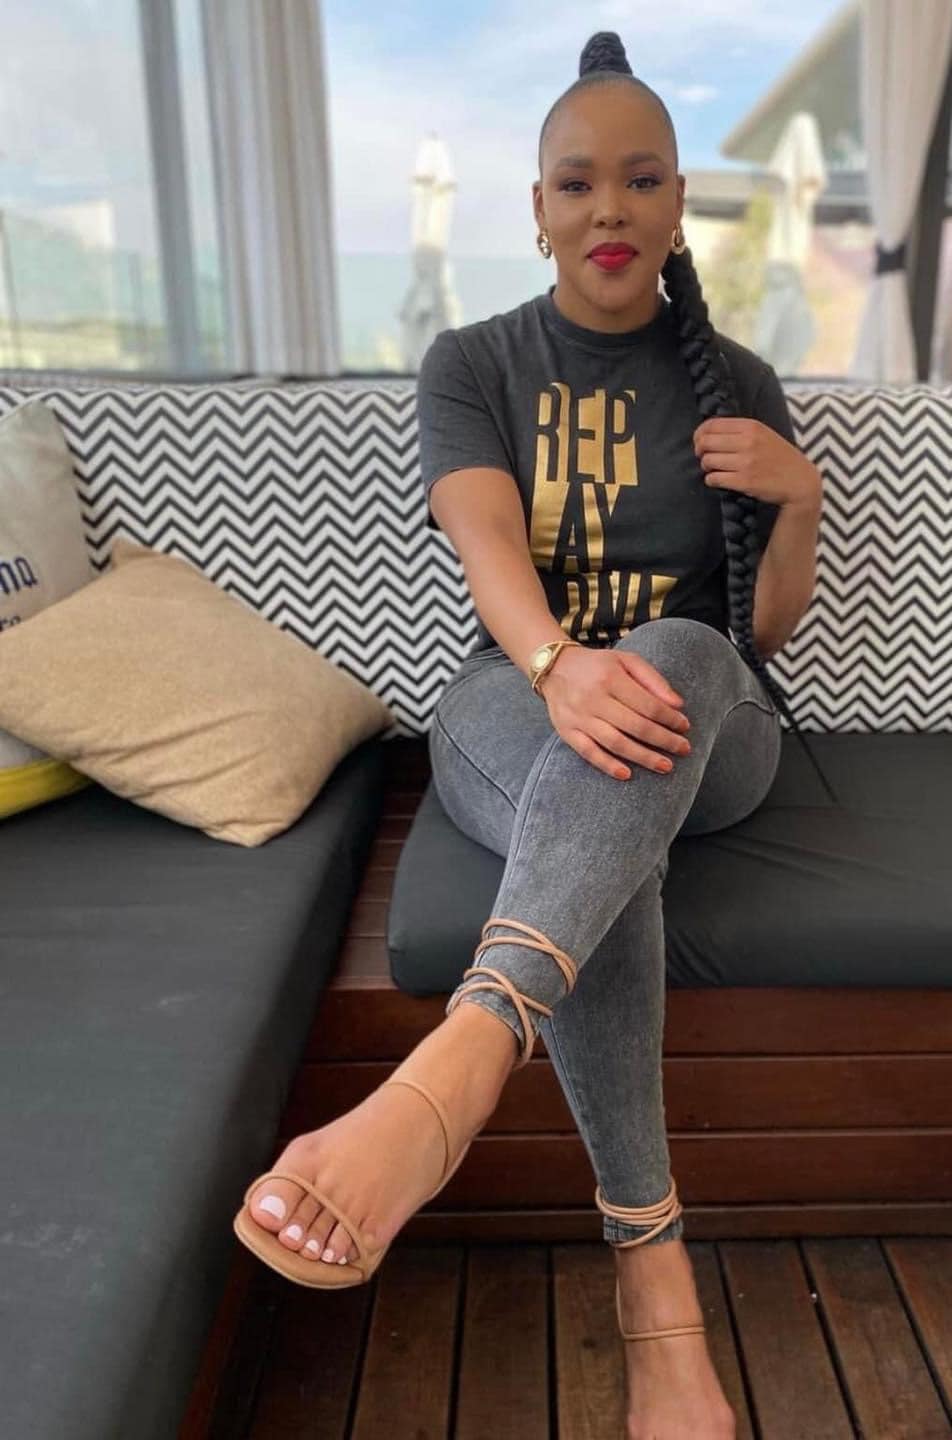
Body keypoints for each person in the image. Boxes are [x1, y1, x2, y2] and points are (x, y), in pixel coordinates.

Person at [235, 29, 825, 1438]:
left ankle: (461, 1058)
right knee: (606, 810)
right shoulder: (475, 361)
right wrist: (558, 666)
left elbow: (761, 634)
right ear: (540, 208)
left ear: (679, 204)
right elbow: (485, 538)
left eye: (641, 180)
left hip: (709, 725)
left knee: (671, 663)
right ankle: (656, 1292)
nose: (609, 208)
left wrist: (796, 495)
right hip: (519, 708)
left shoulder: (740, 380)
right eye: (578, 183)